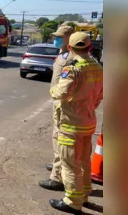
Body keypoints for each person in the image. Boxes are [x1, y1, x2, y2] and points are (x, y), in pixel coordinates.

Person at [48, 32, 103, 214]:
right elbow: (100, 95)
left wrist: (53, 90)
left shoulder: (72, 69)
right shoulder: (98, 67)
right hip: (88, 123)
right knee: (84, 161)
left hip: (71, 125)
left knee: (70, 164)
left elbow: (60, 93)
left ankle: (72, 201)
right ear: (89, 47)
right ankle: (84, 194)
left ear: (70, 48)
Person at [39, 25, 74, 191]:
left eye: (60, 37)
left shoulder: (72, 56)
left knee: (61, 138)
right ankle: (56, 165)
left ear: (69, 38)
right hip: (58, 102)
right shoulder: (62, 53)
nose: (56, 39)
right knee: (56, 137)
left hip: (64, 104)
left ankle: (57, 176)